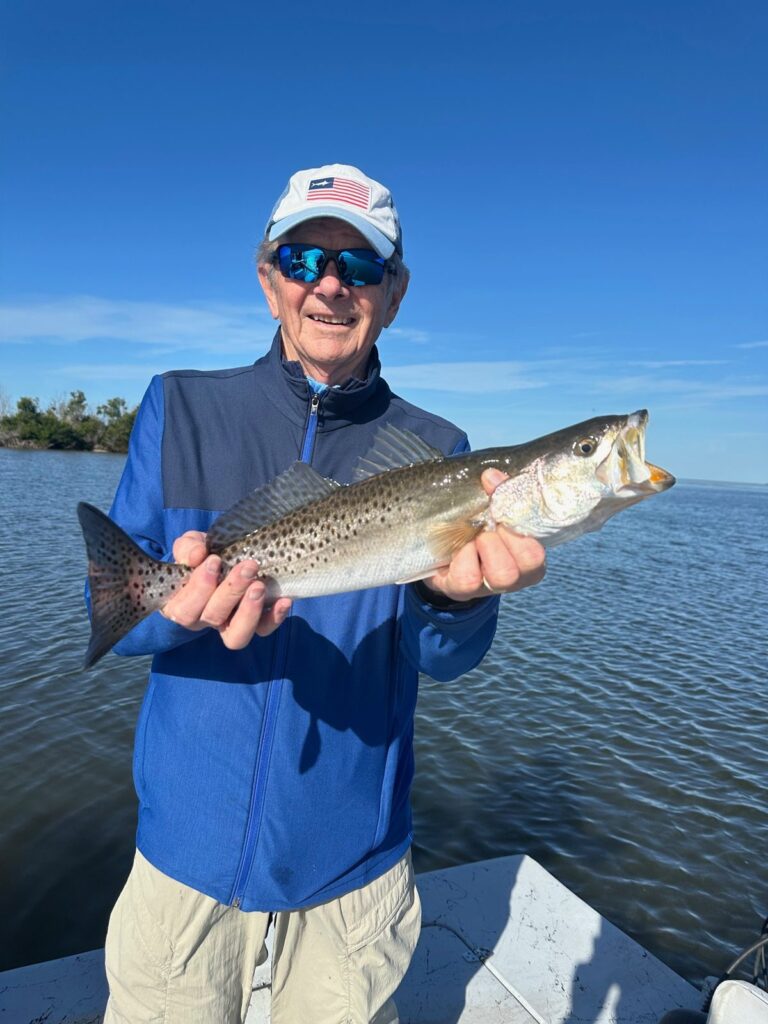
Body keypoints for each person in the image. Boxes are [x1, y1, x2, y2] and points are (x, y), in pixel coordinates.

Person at [99, 163, 546, 1024]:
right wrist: (169, 612)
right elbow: (116, 622)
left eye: (361, 267)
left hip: (355, 873)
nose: (331, 287)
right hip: (181, 866)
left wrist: (455, 602)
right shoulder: (180, 407)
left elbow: (443, 661)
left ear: (396, 293)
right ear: (270, 283)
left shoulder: (441, 448)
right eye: (304, 261)